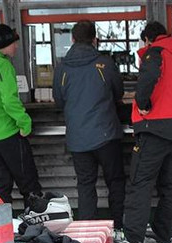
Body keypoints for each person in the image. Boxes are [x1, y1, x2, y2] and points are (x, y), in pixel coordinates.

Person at [115, 21, 172, 243]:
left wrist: (142, 104)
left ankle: (133, 236)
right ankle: (164, 232)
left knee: (140, 181)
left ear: (148, 39)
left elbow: (148, 78)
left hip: (155, 126)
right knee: (169, 183)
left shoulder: (155, 53)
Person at [52, 20, 126, 228]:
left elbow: (59, 100)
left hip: (78, 138)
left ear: (72, 39)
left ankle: (88, 229)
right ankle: (118, 227)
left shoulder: (62, 68)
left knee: (85, 184)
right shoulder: (105, 63)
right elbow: (118, 92)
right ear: (95, 39)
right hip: (106, 134)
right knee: (115, 181)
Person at [0, 24, 50, 213]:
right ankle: (35, 224)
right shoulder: (3, 65)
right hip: (9, 133)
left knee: (1, 186)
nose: (16, 46)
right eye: (14, 42)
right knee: (29, 184)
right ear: (5, 43)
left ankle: (2, 226)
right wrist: (24, 123)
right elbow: (9, 100)